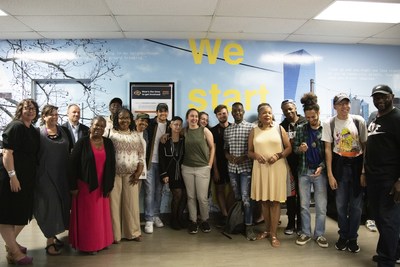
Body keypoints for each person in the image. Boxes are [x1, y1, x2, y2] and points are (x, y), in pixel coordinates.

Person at [321, 93, 367, 253]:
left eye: (346, 104)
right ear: (335, 106)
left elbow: (365, 146)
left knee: (356, 206)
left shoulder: (358, 121)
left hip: (356, 166)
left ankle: (352, 237)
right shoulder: (329, 123)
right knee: (340, 205)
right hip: (339, 166)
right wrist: (330, 174)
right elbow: (327, 149)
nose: (344, 107)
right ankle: (343, 235)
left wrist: (363, 171)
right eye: (341, 104)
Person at [0, 99, 40, 265]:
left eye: (33, 108)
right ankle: (15, 253)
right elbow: (7, 153)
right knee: (6, 215)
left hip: (26, 178)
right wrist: (12, 176)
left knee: (21, 213)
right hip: (11, 178)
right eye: (26, 108)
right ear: (20, 110)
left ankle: (11, 245)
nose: (30, 111)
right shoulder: (15, 126)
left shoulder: (32, 130)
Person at [68, 116, 116, 254]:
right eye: (96, 125)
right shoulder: (82, 142)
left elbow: (112, 165)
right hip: (85, 186)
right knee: (89, 218)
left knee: (101, 217)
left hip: (103, 186)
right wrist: (73, 187)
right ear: (91, 125)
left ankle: (103, 242)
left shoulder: (108, 143)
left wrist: (110, 185)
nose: (98, 128)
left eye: (102, 126)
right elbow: (72, 165)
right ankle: (88, 246)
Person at [365, 85, 400, 267]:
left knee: (388, 219)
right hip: (373, 177)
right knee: (379, 217)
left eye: (383, 97)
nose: (379, 100)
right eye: (376, 97)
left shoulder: (397, 118)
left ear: (392, 97)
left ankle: (388, 259)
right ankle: (392, 251)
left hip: (389, 178)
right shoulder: (375, 117)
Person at [248, 103, 291, 247]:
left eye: (269, 112)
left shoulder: (279, 128)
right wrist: (256, 156)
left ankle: (274, 234)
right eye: (264, 113)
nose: (267, 115)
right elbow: (249, 152)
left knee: (275, 202)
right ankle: (267, 230)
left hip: (277, 168)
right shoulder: (254, 131)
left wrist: (278, 155)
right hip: (261, 169)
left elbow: (289, 148)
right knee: (264, 201)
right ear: (259, 116)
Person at [34, 105, 71, 255]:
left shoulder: (64, 131)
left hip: (62, 176)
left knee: (61, 207)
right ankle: (49, 243)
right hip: (45, 177)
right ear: (43, 116)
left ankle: (54, 236)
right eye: (51, 115)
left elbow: (71, 151)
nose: (54, 117)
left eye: (56, 114)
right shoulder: (38, 133)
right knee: (49, 208)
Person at [293, 93, 328, 248]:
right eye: (307, 117)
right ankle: (306, 233)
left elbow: (329, 151)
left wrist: (322, 166)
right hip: (304, 171)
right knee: (304, 205)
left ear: (318, 113)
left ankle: (319, 234)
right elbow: (294, 149)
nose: (310, 120)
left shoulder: (325, 128)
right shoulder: (301, 128)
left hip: (320, 171)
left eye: (313, 117)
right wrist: (300, 149)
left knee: (321, 205)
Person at [108, 108, 144, 243]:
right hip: (114, 175)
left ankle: (133, 232)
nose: (124, 120)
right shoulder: (111, 134)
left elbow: (141, 156)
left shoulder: (135, 135)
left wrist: (138, 172)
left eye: (127, 118)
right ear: (117, 119)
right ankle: (115, 235)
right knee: (114, 205)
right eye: (122, 118)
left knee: (131, 205)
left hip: (131, 175)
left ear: (131, 119)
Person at [224, 102, 256, 241]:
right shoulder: (228, 130)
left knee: (246, 199)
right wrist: (229, 157)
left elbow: (254, 148)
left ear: (243, 112)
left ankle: (249, 227)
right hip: (232, 169)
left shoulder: (251, 128)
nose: (237, 113)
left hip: (245, 169)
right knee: (237, 198)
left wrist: (243, 157)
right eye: (235, 111)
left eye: (240, 111)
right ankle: (238, 223)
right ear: (232, 113)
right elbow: (225, 149)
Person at [181, 108, 215, 234]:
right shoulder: (184, 131)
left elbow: (212, 147)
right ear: (187, 118)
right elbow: (173, 135)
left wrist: (209, 165)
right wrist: (165, 135)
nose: (194, 118)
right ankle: (193, 221)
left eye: (196, 116)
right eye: (191, 116)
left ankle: (205, 220)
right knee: (191, 196)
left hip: (203, 168)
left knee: (202, 197)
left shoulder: (204, 130)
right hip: (187, 168)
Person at [280, 99, 306, 235]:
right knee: (290, 196)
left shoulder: (305, 122)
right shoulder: (281, 126)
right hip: (288, 166)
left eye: (290, 109)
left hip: (304, 166)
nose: (288, 112)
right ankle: (290, 223)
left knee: (302, 196)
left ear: (295, 108)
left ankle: (301, 225)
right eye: (285, 110)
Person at [143, 103, 170, 234]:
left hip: (163, 164)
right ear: (157, 112)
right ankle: (148, 219)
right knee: (149, 191)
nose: (163, 114)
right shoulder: (150, 124)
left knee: (159, 191)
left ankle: (156, 215)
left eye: (165, 112)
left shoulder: (170, 126)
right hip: (149, 163)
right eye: (161, 111)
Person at [159, 116, 187, 230]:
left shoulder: (183, 140)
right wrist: (164, 174)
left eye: (180, 125)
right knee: (177, 195)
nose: (178, 127)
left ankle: (180, 218)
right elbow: (161, 158)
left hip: (183, 172)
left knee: (184, 196)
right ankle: (173, 219)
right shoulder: (164, 141)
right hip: (170, 172)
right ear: (170, 125)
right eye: (175, 124)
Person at [211, 104, 234, 226]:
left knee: (233, 189)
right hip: (218, 165)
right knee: (219, 189)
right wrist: (215, 170)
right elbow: (212, 152)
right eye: (219, 114)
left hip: (233, 164)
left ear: (228, 113)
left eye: (224, 113)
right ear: (216, 116)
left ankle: (230, 213)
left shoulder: (234, 127)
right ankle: (224, 215)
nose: (222, 115)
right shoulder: (213, 130)